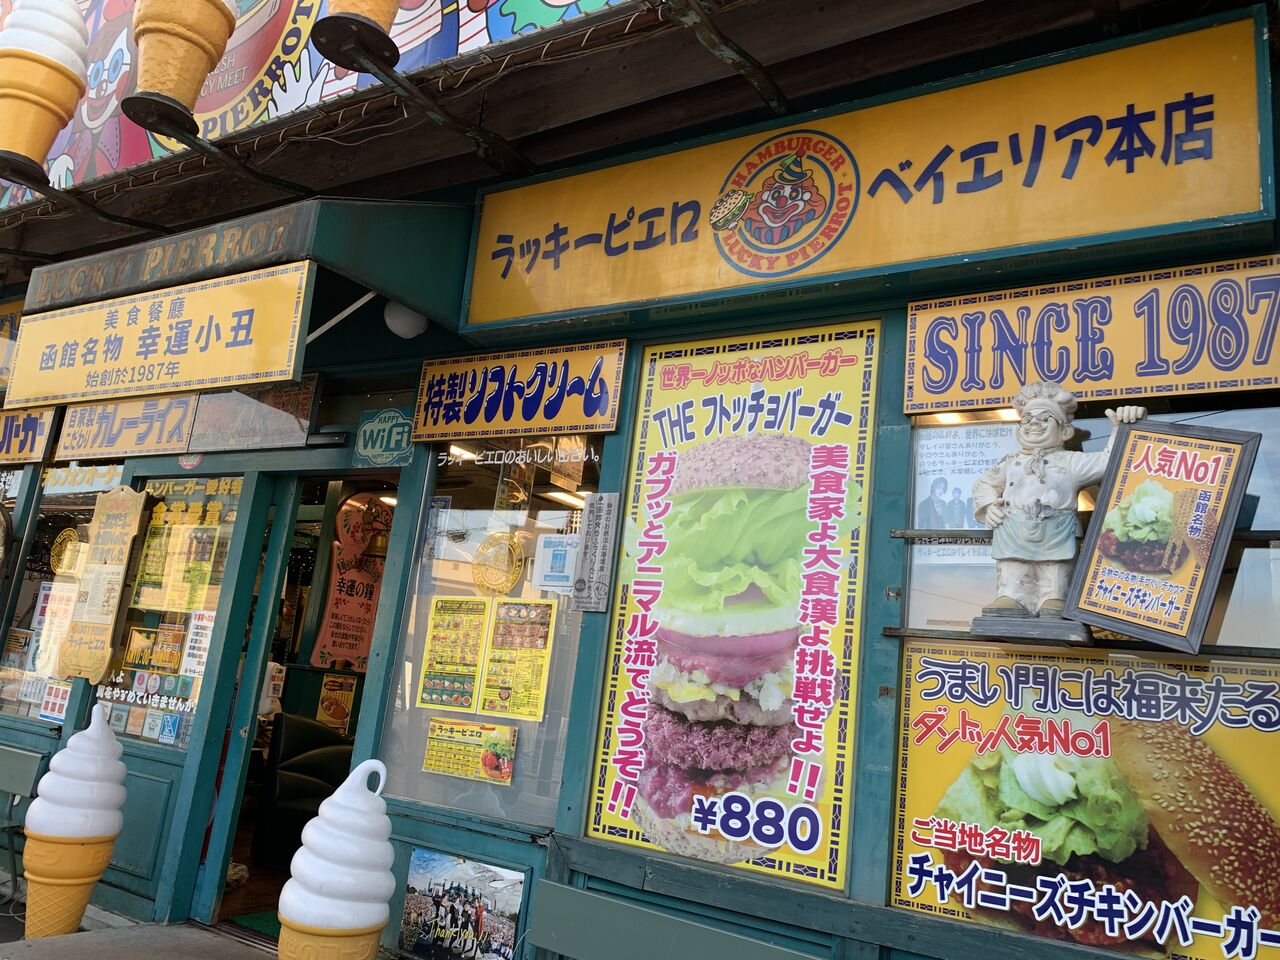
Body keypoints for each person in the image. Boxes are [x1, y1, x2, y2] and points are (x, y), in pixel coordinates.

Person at [972, 381, 1145, 618]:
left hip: (1057, 530)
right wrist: (989, 505)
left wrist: (1122, 428)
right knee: (1013, 569)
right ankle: (1011, 596)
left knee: (1055, 573)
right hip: (1013, 530)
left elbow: (1109, 461)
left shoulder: (1071, 462)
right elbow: (984, 484)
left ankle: (1054, 597)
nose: (1034, 423)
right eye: (1027, 419)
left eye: (1045, 418)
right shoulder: (1009, 463)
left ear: (1065, 431)